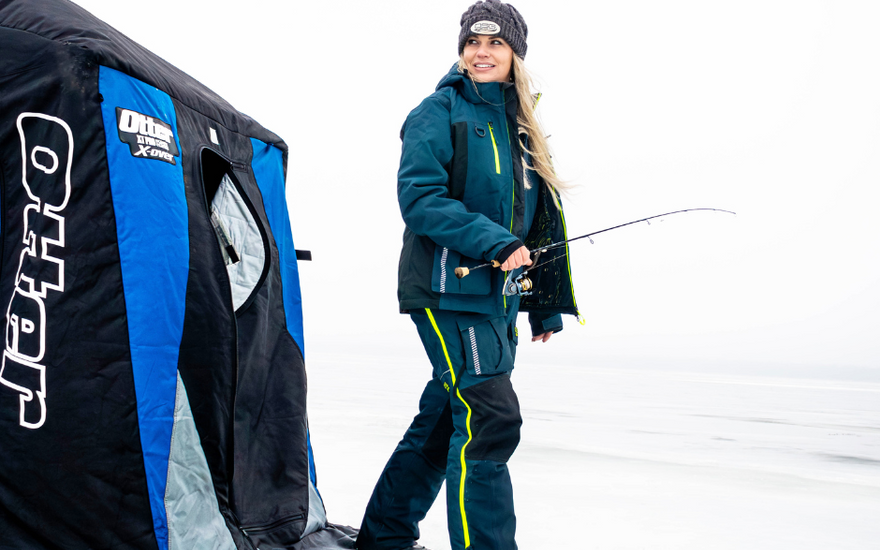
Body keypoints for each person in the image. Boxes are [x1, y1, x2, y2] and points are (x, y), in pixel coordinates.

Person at [356, 1, 578, 549]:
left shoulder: (521, 126)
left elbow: (538, 219)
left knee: (444, 419)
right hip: (446, 289)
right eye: (472, 44)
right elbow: (421, 200)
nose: (482, 53)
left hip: (496, 296)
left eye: (495, 44)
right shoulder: (439, 111)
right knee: (491, 418)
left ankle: (384, 535)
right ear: (461, 51)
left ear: (514, 55)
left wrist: (543, 301)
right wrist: (496, 243)